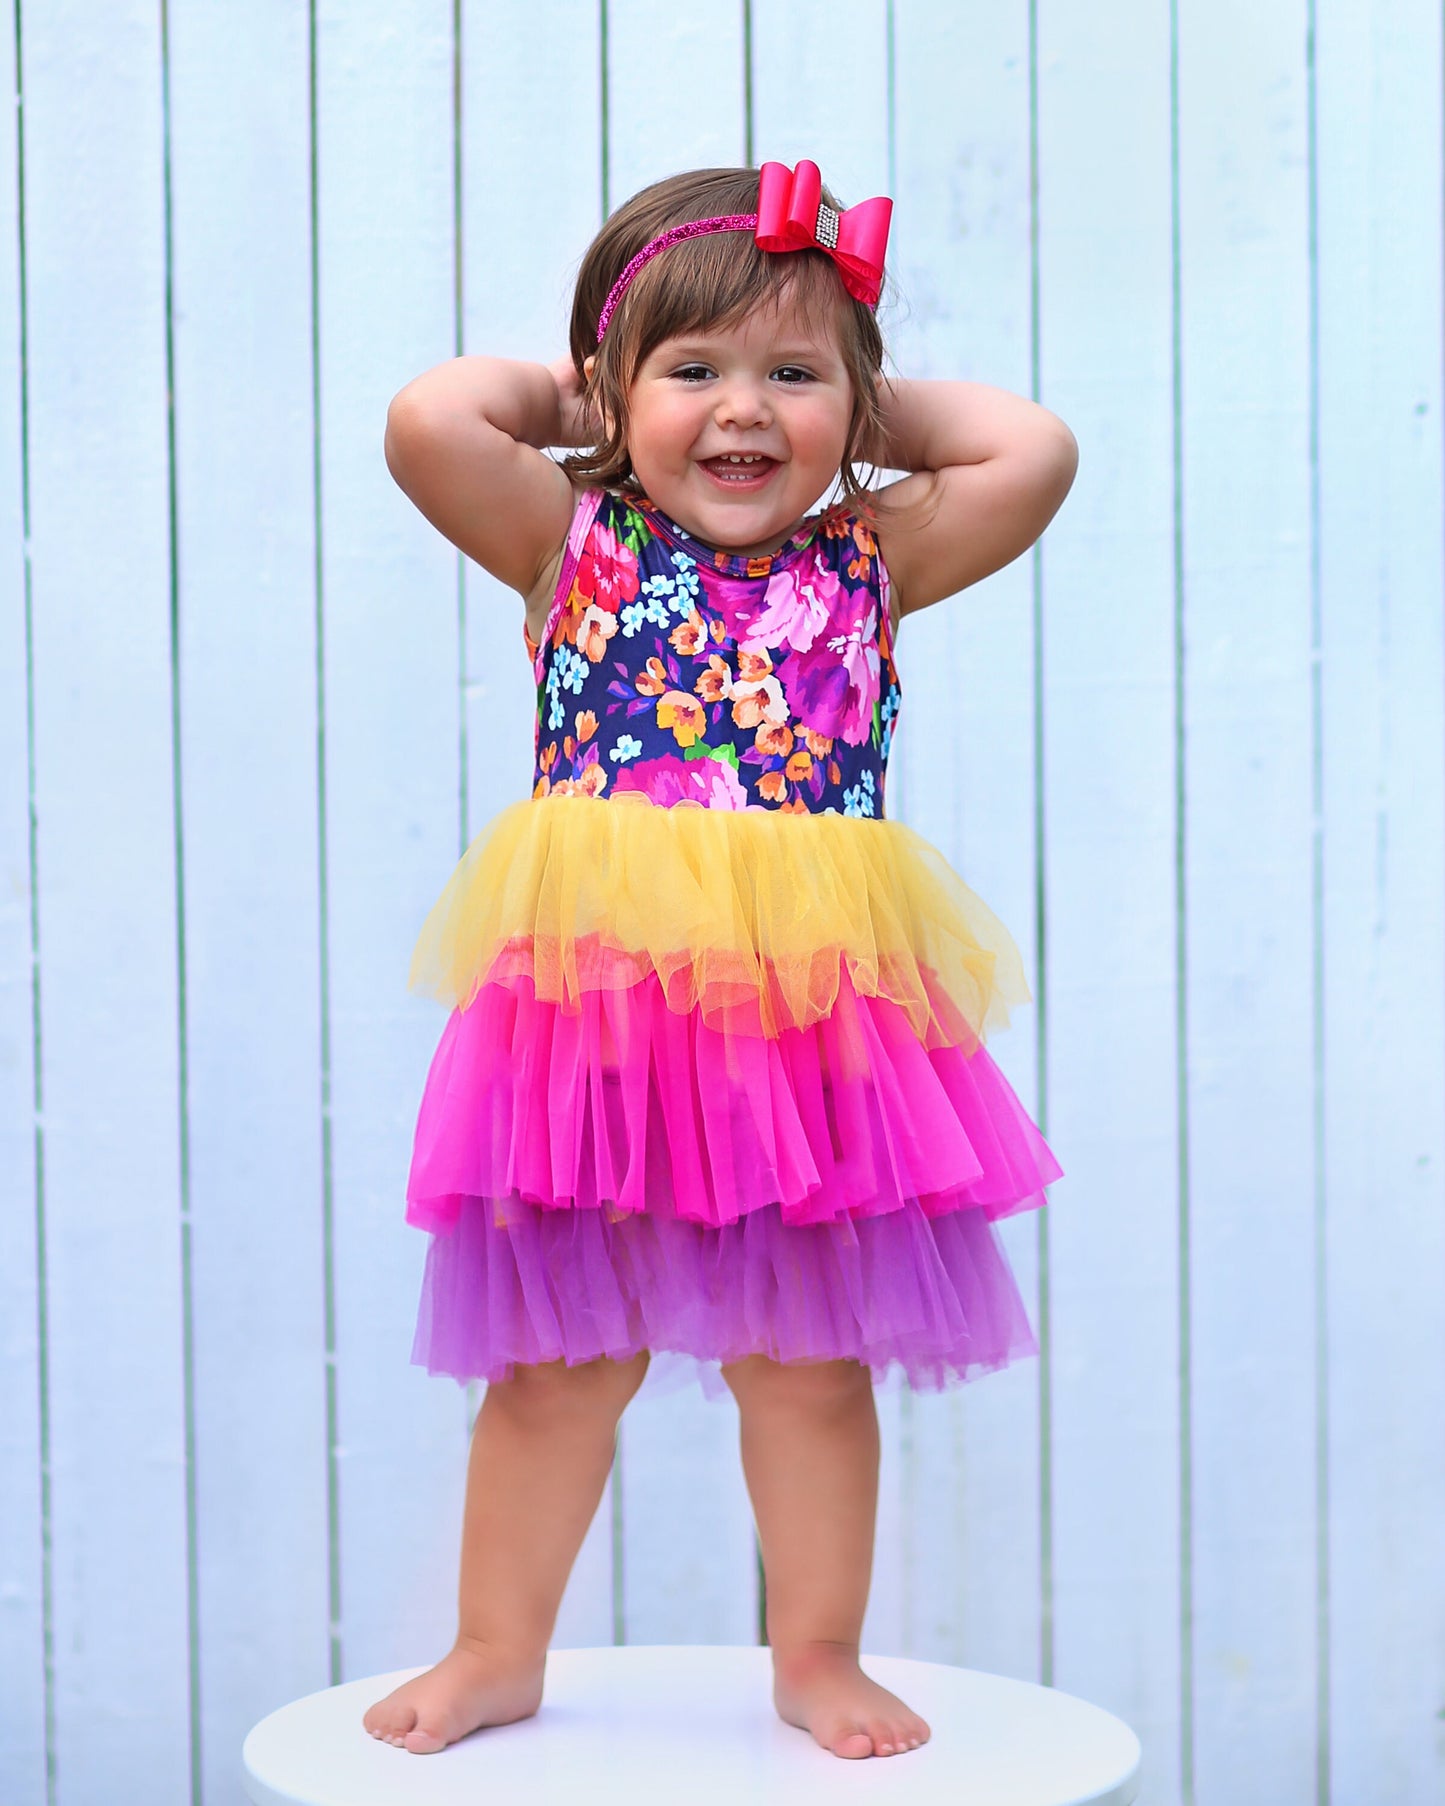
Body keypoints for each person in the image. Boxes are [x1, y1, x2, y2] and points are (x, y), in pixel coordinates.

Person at [363, 160, 1075, 1762]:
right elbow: (429, 419)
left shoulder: (872, 565)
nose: (742, 413)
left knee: (810, 1372)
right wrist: (595, 389)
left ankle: (815, 1652)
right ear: (617, 393)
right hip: (598, 1043)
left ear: (853, 399)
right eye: (694, 372)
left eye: (790, 376)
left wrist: (851, 400)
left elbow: (1032, 446)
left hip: (813, 1043)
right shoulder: (573, 542)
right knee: (556, 1367)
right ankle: (496, 1645)